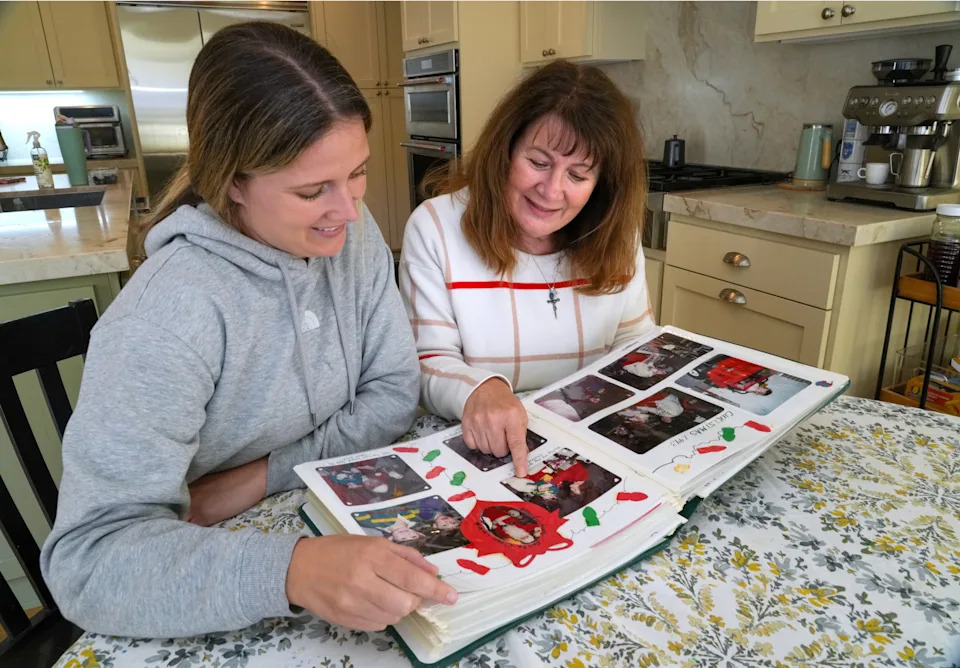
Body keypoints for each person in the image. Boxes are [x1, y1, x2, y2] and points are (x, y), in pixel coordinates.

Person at [40, 22, 457, 639]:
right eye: (312, 190)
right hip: (201, 578)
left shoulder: (352, 229)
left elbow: (393, 391)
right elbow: (89, 563)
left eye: (358, 172)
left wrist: (255, 478)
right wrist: (289, 570)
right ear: (233, 182)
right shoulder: (162, 321)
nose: (349, 210)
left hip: (298, 511)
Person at [399, 60, 655, 477]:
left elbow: (636, 344)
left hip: (596, 447)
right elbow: (426, 360)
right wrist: (479, 390)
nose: (552, 191)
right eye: (538, 162)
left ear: (603, 184)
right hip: (485, 450)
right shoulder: (434, 228)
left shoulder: (618, 235)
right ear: (505, 150)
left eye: (578, 175)